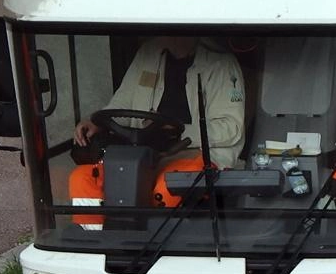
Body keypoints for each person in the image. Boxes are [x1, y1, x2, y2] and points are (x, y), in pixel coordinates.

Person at [70, 36, 245, 228]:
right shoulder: (148, 52)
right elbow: (123, 101)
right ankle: (93, 242)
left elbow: (231, 126)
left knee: (167, 187)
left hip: (196, 152)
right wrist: (98, 123)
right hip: (140, 152)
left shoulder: (221, 62)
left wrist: (178, 132)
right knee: (82, 179)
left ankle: (156, 248)